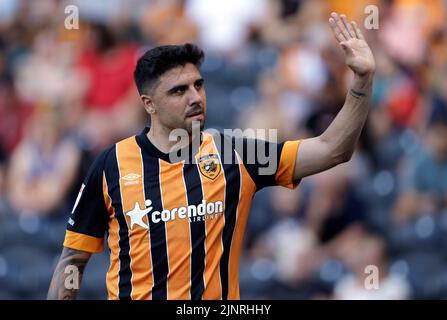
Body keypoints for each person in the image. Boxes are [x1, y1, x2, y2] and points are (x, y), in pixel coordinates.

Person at [48, 12, 375, 300]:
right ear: (149, 104)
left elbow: (333, 149)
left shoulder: (236, 153)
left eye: (198, 85)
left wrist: (361, 81)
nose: (195, 97)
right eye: (179, 90)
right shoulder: (111, 165)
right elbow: (72, 260)